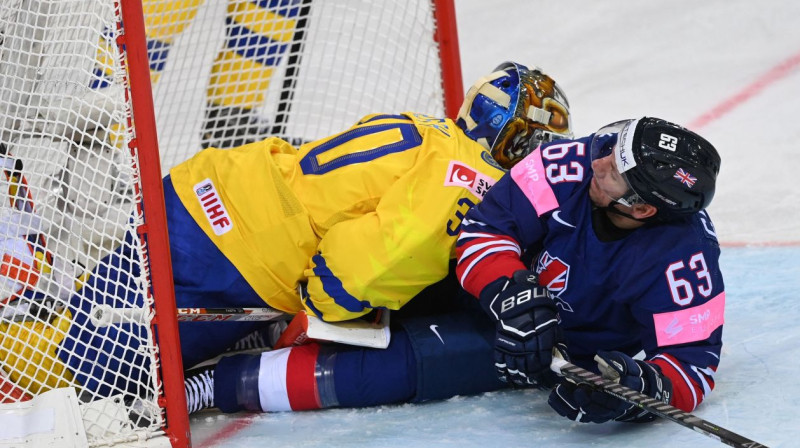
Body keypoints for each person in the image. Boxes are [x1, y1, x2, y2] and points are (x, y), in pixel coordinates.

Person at [0, 62, 575, 413]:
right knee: (88, 370)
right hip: (232, 255)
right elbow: (377, 260)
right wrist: (327, 308)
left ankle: (21, 310)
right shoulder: (468, 178)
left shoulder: (430, 130)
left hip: (208, 189)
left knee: (90, 317)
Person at [455, 117, 723, 424]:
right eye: (612, 150)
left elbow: (692, 365)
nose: (598, 163)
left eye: (613, 171)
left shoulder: (685, 257)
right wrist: (511, 296)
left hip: (549, 354)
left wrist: (641, 391)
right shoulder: (568, 163)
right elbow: (484, 230)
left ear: (640, 208)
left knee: (397, 367)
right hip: (480, 295)